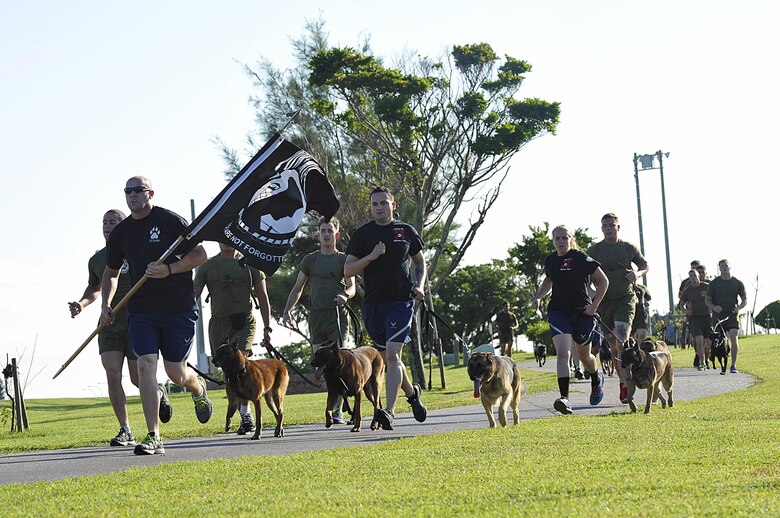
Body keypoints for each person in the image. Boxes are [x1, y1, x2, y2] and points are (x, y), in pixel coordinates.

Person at [101, 176, 211, 455]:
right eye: (128, 192)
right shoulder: (121, 233)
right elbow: (111, 273)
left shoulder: (171, 221)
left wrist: (170, 269)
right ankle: (154, 436)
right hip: (142, 311)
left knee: (176, 373)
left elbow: (200, 254)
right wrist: (105, 303)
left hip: (178, 309)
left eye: (137, 190)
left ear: (150, 193)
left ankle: (198, 388)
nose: (132, 195)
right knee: (146, 365)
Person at [344, 187, 427, 430]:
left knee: (392, 356)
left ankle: (389, 412)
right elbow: (348, 270)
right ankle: (413, 395)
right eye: (374, 204)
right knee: (390, 360)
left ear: (393, 205)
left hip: (401, 302)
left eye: (383, 203)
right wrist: (371, 256)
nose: (379, 207)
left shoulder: (406, 231)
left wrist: (420, 285)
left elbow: (420, 262)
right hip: (372, 305)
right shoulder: (362, 235)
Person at [69, 209, 142, 447]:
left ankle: (158, 392)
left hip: (137, 320)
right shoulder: (98, 259)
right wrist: (81, 304)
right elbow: (94, 289)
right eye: (104, 222)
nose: (107, 225)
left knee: (137, 378)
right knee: (112, 374)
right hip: (108, 321)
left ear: (124, 225)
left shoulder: (136, 250)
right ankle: (125, 429)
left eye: (113, 222)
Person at [282, 216, 356, 425]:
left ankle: (338, 411)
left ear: (336, 234)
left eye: (329, 231)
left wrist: (345, 295)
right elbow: (298, 288)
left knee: (339, 365)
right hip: (316, 317)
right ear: (318, 234)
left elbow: (351, 286)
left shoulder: (343, 259)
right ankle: (334, 406)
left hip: (337, 316)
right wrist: (288, 310)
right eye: (323, 231)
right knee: (321, 366)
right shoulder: (310, 260)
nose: (326, 234)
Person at [194, 242, 272, 435]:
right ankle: (241, 411)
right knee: (229, 372)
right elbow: (192, 295)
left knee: (240, 363)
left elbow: (262, 297)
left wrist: (267, 327)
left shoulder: (251, 264)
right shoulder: (207, 266)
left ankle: (247, 416)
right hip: (219, 324)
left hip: (244, 321)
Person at [532, 225, 609, 414]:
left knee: (585, 357)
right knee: (563, 354)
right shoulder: (550, 260)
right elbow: (549, 280)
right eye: (557, 238)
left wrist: (593, 307)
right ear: (553, 241)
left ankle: (595, 378)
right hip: (558, 311)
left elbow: (603, 281)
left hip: (582, 312)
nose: (560, 241)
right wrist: (539, 297)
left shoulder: (580, 258)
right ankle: (565, 399)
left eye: (564, 238)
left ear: (570, 239)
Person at [586, 213, 649, 404]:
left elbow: (645, 265)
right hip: (604, 301)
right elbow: (584, 274)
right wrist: (590, 292)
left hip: (625, 298)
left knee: (621, 340)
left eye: (611, 225)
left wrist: (637, 274)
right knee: (613, 345)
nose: (608, 228)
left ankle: (628, 383)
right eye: (604, 225)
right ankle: (622, 381)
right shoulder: (594, 250)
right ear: (601, 228)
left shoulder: (628, 248)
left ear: (618, 227)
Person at [706, 259, 747, 373]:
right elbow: (707, 300)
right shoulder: (714, 283)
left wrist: (738, 308)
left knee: (734, 336)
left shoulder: (737, 283)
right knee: (717, 341)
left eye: (726, 266)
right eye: (722, 266)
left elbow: (744, 300)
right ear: (719, 268)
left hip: (732, 315)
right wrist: (714, 307)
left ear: (730, 267)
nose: (724, 268)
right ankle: (712, 353)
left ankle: (733, 365)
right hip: (718, 316)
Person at [680, 267, 711, 371]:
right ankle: (701, 363)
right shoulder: (687, 290)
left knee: (708, 342)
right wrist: (685, 310)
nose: (693, 278)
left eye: (694, 276)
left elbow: (714, 297)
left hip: (707, 317)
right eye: (691, 276)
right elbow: (681, 304)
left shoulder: (706, 287)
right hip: (695, 318)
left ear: (699, 276)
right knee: (699, 340)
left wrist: (713, 307)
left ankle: (706, 359)